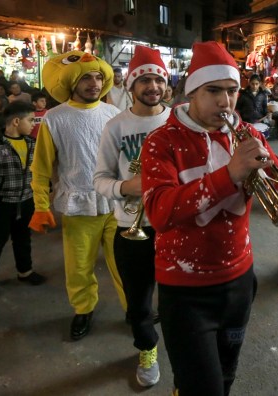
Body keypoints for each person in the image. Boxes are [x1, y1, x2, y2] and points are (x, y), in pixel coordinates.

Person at [141, 41, 278, 396]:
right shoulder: (160, 141)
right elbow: (160, 212)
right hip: (185, 291)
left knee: (227, 373)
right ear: (192, 92)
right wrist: (229, 174)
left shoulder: (248, 134)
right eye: (213, 91)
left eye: (231, 91)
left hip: (240, 280)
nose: (225, 101)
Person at [29, 50, 127, 341]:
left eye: (98, 77)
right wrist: (40, 206)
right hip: (78, 203)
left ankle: (135, 308)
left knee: (124, 261)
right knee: (79, 266)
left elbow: (127, 158)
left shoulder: (114, 114)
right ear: (71, 81)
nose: (94, 83)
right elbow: (42, 167)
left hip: (116, 202)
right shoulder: (54, 119)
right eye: (86, 78)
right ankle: (83, 309)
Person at [93, 45, 171, 387]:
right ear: (131, 85)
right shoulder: (115, 126)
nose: (152, 86)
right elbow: (99, 180)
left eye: (158, 79)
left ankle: (183, 347)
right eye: (145, 80)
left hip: (174, 225)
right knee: (138, 301)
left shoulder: (178, 120)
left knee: (177, 297)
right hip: (130, 226)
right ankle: (147, 350)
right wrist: (128, 187)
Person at [0, 101, 46, 298]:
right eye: (30, 120)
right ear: (16, 121)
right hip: (0, 204)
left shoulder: (33, 143)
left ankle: (25, 271)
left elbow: (38, 172)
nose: (33, 124)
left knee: (23, 239)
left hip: (26, 201)